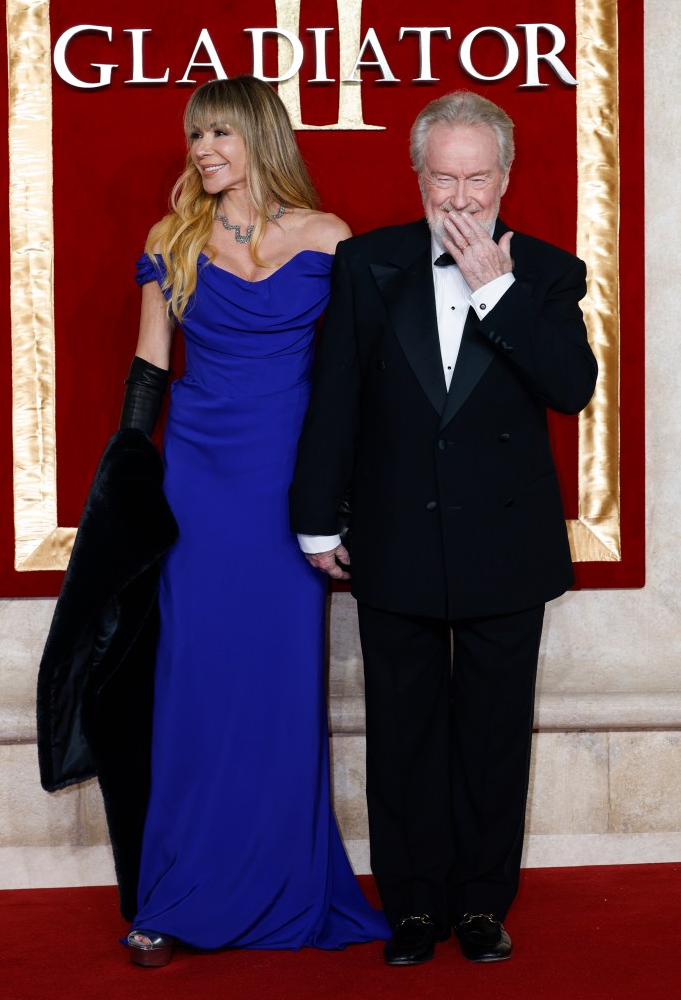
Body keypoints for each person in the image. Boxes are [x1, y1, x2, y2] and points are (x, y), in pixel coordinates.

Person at [289, 90, 598, 967]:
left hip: (506, 543)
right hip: (395, 534)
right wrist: (316, 519)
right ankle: (415, 905)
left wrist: (494, 290)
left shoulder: (546, 272)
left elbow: (569, 388)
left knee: (495, 733)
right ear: (417, 173)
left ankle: (480, 904)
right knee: (402, 729)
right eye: (442, 176)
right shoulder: (367, 263)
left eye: (476, 177)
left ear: (505, 176)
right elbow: (335, 398)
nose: (458, 197)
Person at [118, 76, 389, 966]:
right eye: (195, 136)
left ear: (261, 138)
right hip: (199, 485)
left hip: (288, 496)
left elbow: (354, 383)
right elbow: (150, 367)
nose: (201, 150)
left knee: (279, 687)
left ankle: (280, 880)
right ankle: (173, 891)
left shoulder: (327, 236)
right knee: (193, 683)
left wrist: (348, 499)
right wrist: (126, 480)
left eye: (220, 133)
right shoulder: (173, 238)